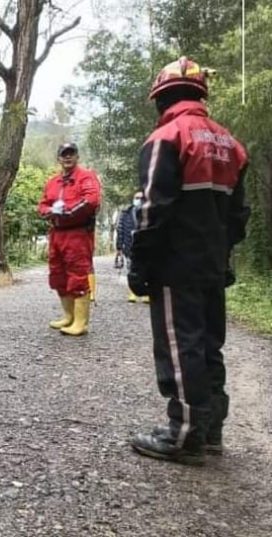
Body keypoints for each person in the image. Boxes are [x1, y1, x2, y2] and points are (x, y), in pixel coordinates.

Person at [128, 57, 250, 465]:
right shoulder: (230, 144)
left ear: (161, 98)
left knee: (180, 346)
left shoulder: (167, 137)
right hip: (213, 264)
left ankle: (184, 435)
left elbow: (152, 209)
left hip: (174, 265)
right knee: (209, 344)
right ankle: (211, 430)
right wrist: (222, 255)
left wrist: (140, 262)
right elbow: (239, 215)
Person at [37, 143, 101, 336]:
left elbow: (91, 200)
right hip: (56, 233)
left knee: (78, 274)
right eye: (64, 154)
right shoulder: (52, 182)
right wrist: (49, 211)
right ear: (58, 158)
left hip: (77, 233)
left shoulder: (86, 177)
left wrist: (69, 212)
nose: (67, 157)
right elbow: (42, 205)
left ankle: (80, 322)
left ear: (77, 157)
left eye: (71, 154)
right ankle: (69, 315)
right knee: (58, 274)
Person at [116, 191, 146, 303]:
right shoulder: (126, 213)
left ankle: (146, 293)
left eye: (141, 198)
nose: (138, 200)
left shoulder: (148, 210)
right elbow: (120, 229)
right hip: (129, 246)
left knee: (146, 268)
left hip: (144, 245)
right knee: (130, 268)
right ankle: (132, 292)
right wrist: (119, 246)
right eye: (136, 198)